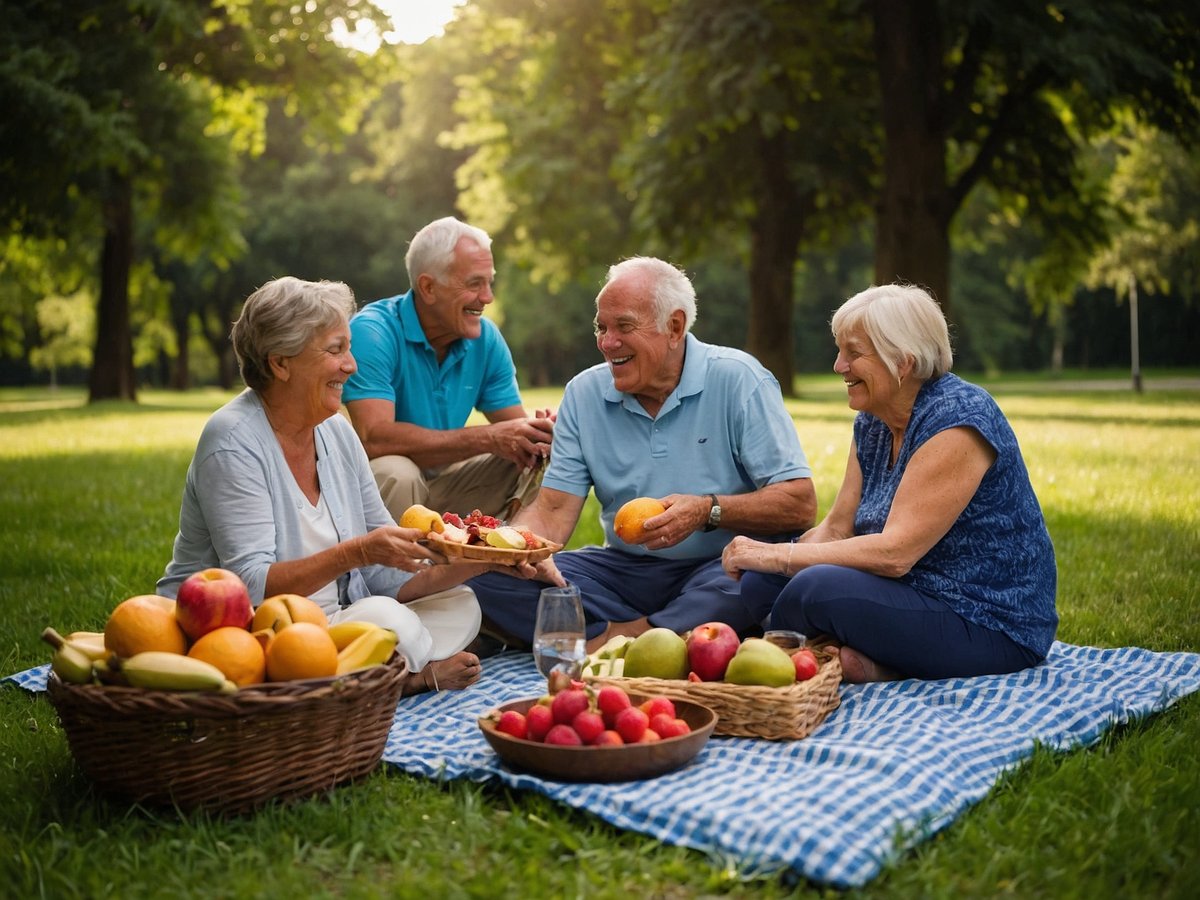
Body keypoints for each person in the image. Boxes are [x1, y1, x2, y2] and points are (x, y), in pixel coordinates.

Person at [157, 276, 536, 694]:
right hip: (245, 632)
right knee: (390, 621)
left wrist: (485, 560)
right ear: (280, 363)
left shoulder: (336, 432)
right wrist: (358, 550)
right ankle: (410, 678)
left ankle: (376, 669)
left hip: (337, 618)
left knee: (462, 604)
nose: (351, 366)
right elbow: (249, 585)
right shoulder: (232, 443)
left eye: (349, 349)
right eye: (335, 350)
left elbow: (379, 574)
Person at [467, 256, 817, 651]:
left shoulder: (739, 380)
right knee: (484, 575)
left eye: (624, 326)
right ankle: (659, 636)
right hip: (625, 571)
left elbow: (799, 504)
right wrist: (521, 551)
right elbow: (551, 511)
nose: (606, 341)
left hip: (721, 564)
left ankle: (621, 635)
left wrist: (707, 510)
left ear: (675, 327)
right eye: (601, 327)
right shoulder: (583, 395)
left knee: (759, 576)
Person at [722, 283, 1058, 683]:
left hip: (988, 620)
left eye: (854, 353)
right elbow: (836, 529)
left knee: (812, 588)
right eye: (840, 350)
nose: (838, 366)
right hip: (910, 596)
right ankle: (858, 660)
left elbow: (895, 553)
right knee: (761, 583)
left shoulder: (959, 419)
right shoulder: (873, 421)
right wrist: (765, 558)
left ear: (902, 362)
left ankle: (822, 658)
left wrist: (780, 557)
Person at [342, 216, 555, 523]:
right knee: (398, 472)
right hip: (377, 496)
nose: (487, 297)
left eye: (489, 282)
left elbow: (512, 428)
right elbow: (374, 438)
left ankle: (510, 557)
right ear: (428, 287)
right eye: (474, 284)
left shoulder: (486, 339)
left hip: (447, 483)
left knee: (534, 457)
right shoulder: (373, 332)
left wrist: (540, 433)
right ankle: (400, 570)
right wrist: (487, 437)